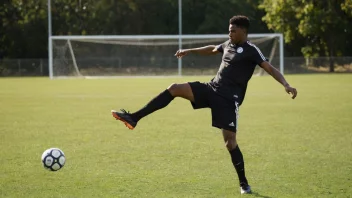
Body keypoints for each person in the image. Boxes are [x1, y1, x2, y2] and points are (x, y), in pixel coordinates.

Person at [111, 15, 297, 194]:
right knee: (174, 88)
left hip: (228, 100)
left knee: (230, 143)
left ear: (243, 31)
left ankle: (244, 184)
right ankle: (134, 117)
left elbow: (270, 68)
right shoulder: (228, 44)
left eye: (232, 31)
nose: (229, 34)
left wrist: (286, 84)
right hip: (211, 89)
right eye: (229, 30)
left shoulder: (251, 50)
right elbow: (212, 49)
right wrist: (189, 51)